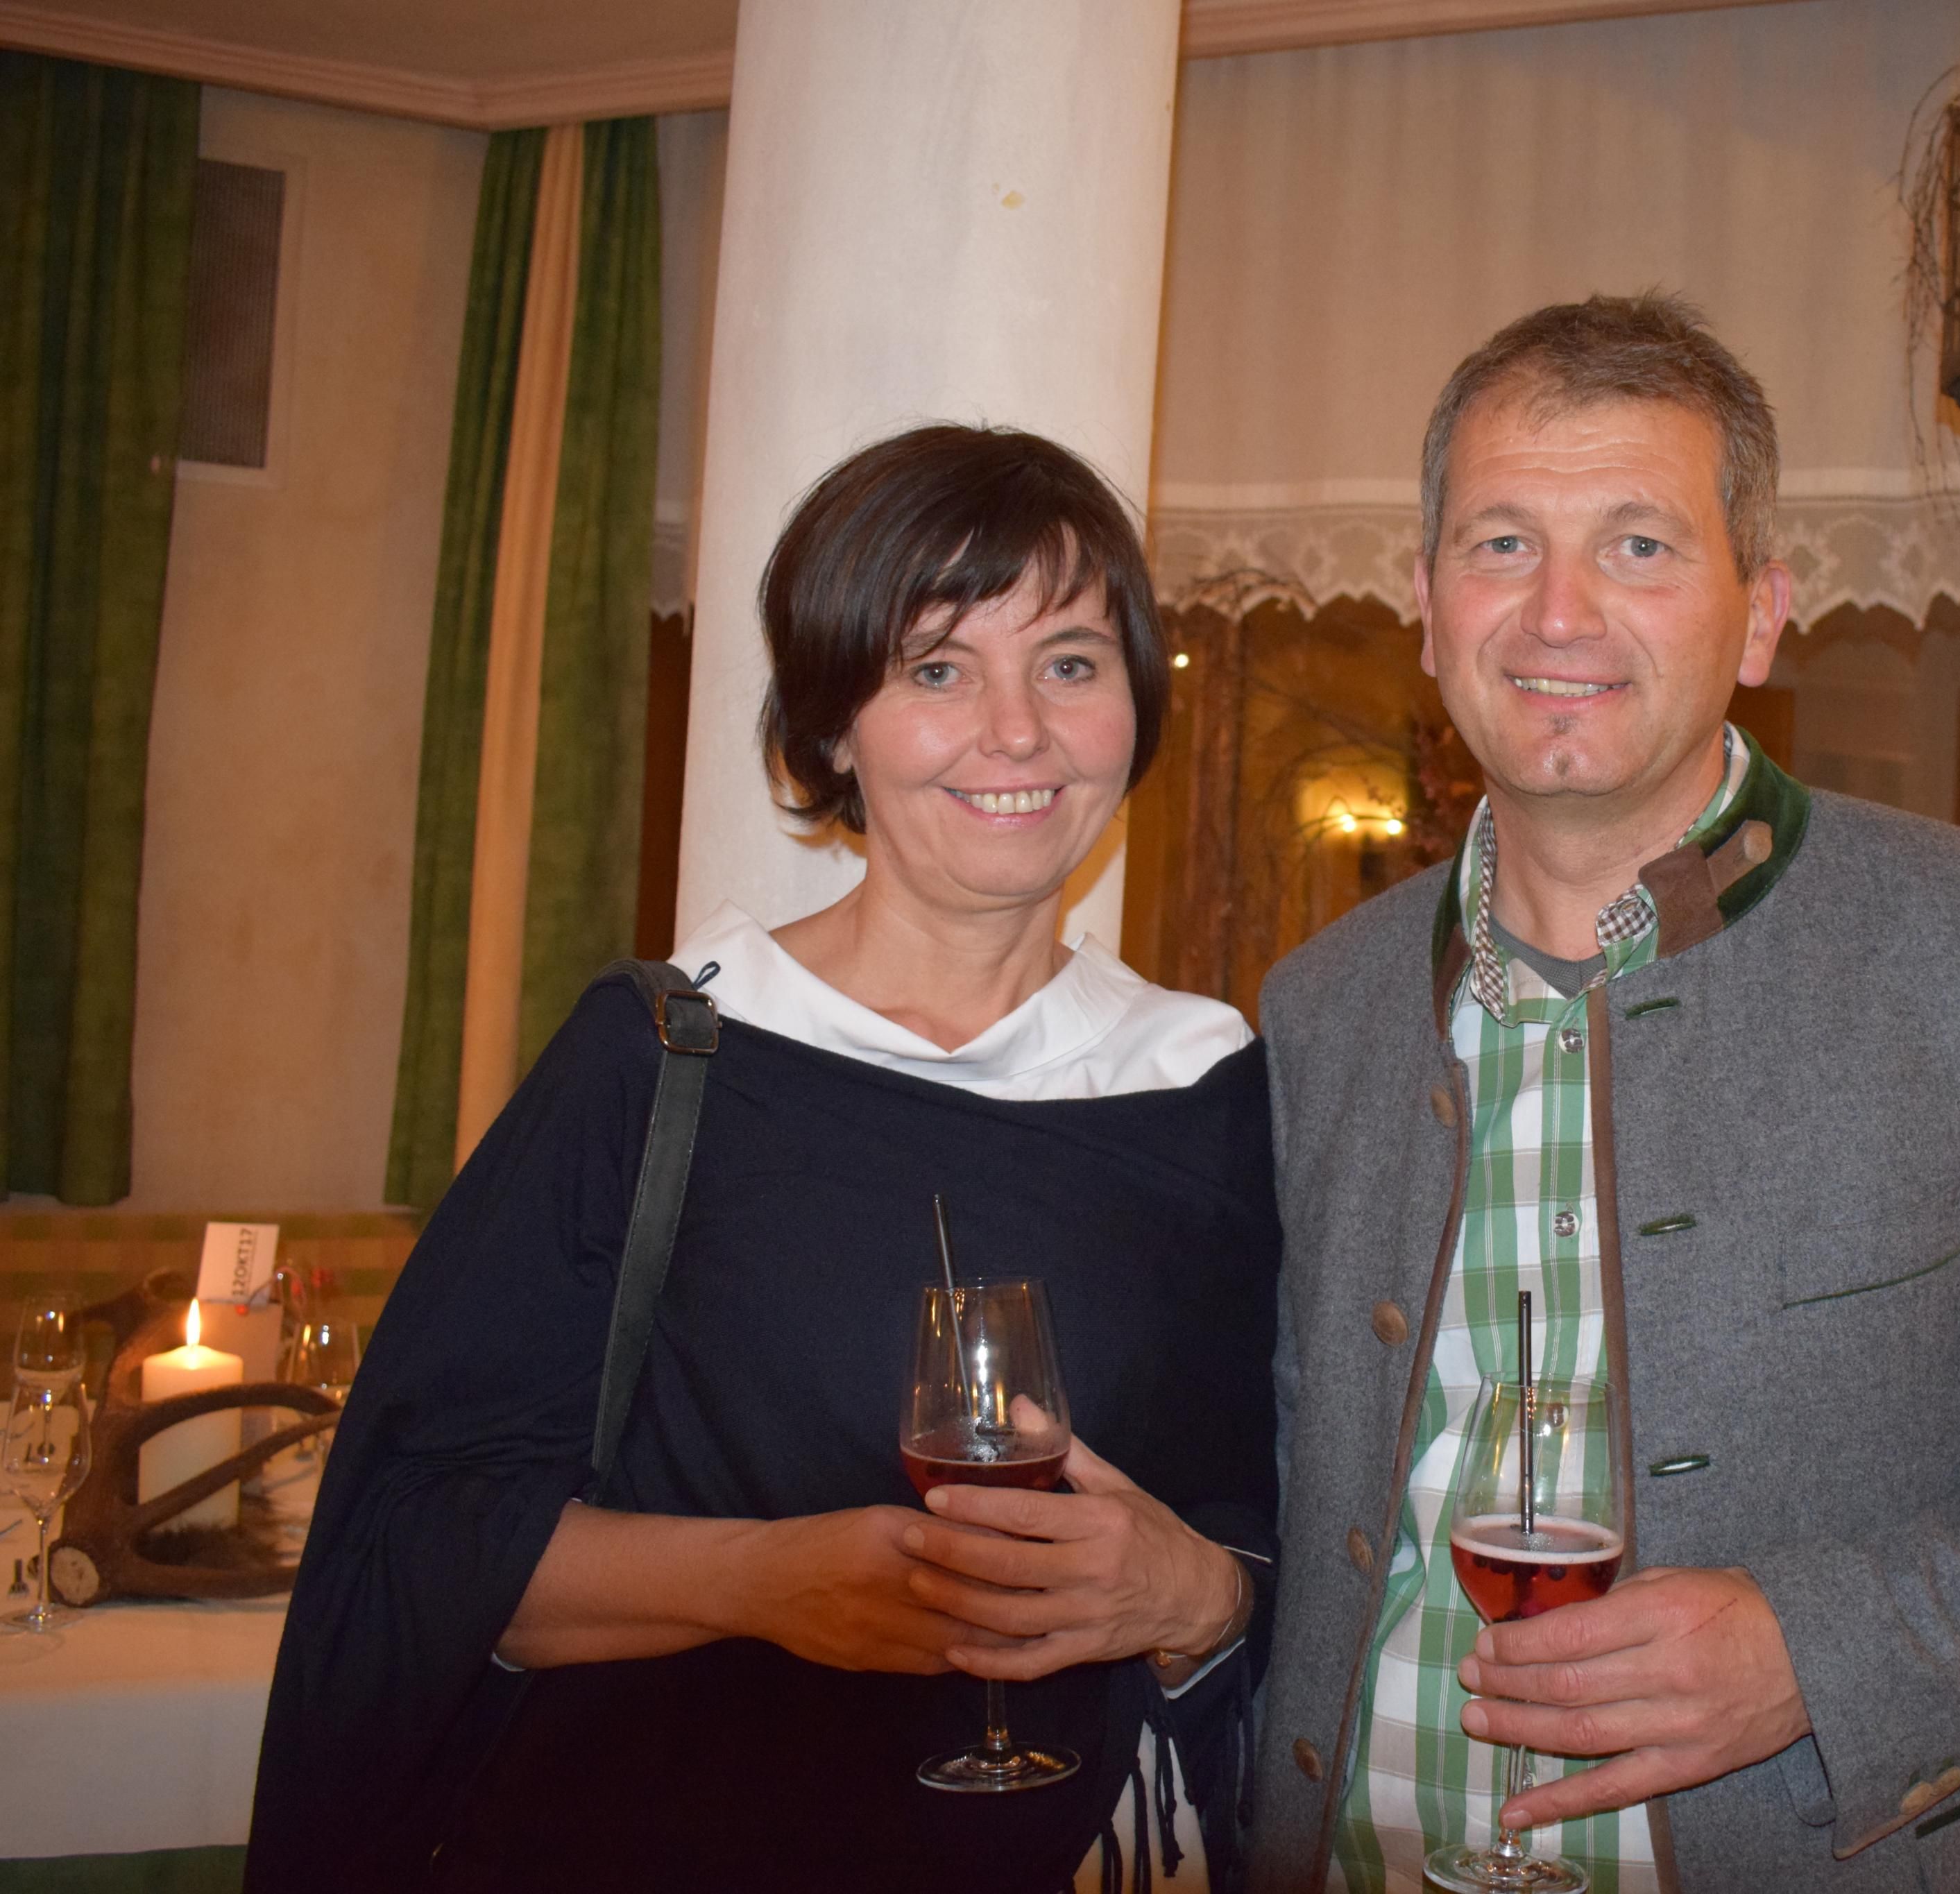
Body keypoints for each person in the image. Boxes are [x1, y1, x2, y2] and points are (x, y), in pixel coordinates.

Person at [1250, 296, 1960, 1892]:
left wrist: (1818, 1651)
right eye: (1502, 545)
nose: (1559, 613)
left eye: (1639, 547)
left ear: (1759, 618)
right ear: (1429, 610)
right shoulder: (1314, 1009)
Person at [250, 425, 1279, 1894]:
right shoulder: (668, 1057)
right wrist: (761, 1582)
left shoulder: (1207, 1088)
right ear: (831, 728)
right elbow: (414, 1546)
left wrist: (1194, 1596)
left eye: (1069, 661)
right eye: (937, 669)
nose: (1017, 732)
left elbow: (1269, 1531)